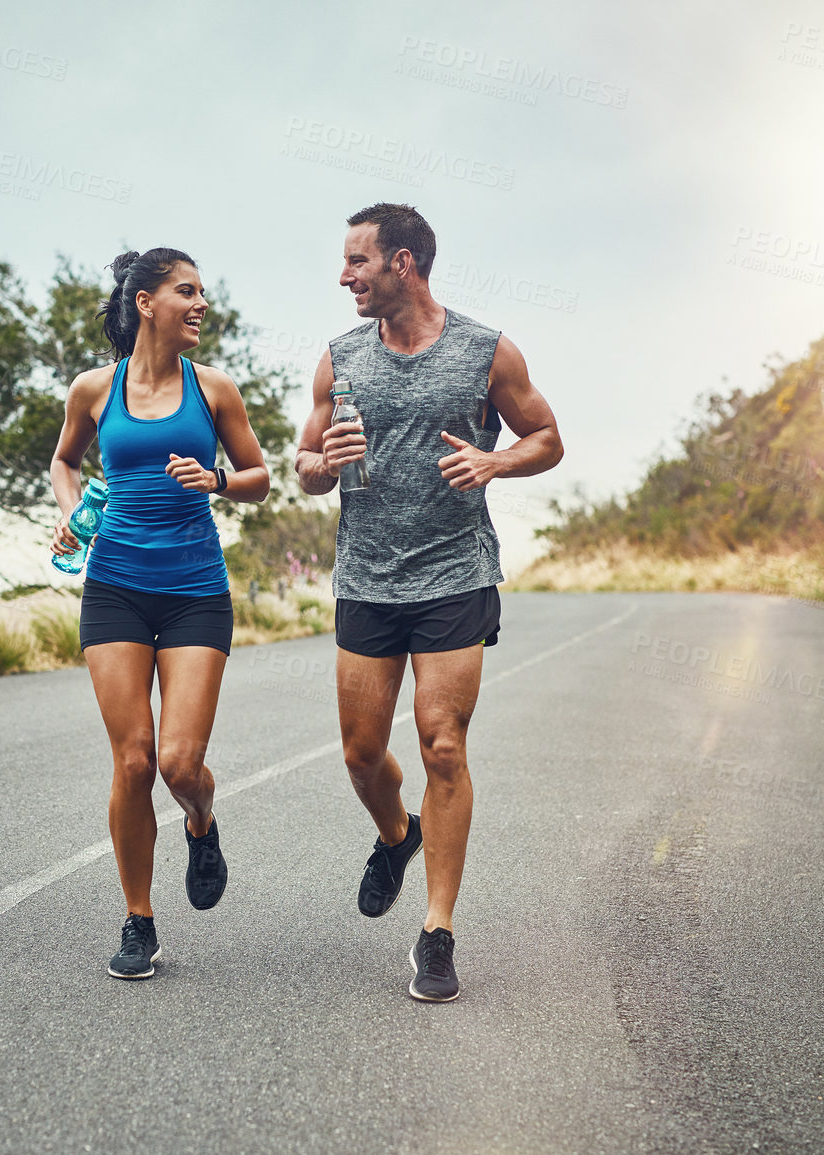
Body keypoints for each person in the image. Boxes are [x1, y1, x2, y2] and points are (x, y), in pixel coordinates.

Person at [295, 204, 563, 1002]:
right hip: (367, 577)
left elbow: (545, 436)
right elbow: (304, 464)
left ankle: (437, 932)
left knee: (442, 743)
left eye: (357, 262)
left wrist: (493, 462)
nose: (344, 276)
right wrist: (321, 463)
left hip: (454, 572)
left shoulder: (485, 350)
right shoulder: (339, 359)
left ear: (403, 263)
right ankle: (395, 833)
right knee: (359, 752)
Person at [50, 248, 271, 979]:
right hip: (113, 584)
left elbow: (259, 479)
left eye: (203, 291)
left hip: (194, 591)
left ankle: (201, 821)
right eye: (187, 291)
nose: (202, 303)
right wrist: (71, 514)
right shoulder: (92, 388)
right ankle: (138, 919)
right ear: (146, 302)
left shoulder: (214, 391)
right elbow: (64, 461)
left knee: (178, 761)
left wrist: (213, 478)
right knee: (133, 758)